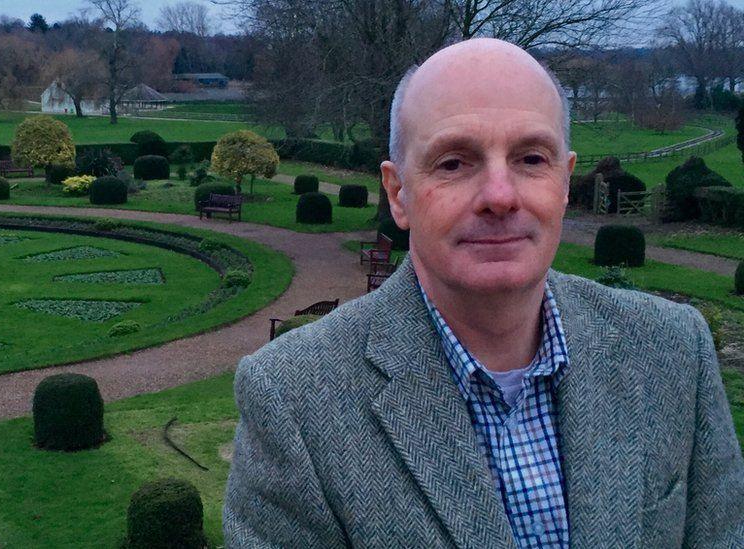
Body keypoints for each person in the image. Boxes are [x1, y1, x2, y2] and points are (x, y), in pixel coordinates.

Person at [223, 38, 744, 548]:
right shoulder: (291, 398)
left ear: (564, 184)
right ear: (398, 193)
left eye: (531, 159)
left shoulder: (673, 348)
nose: (499, 195)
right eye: (454, 162)